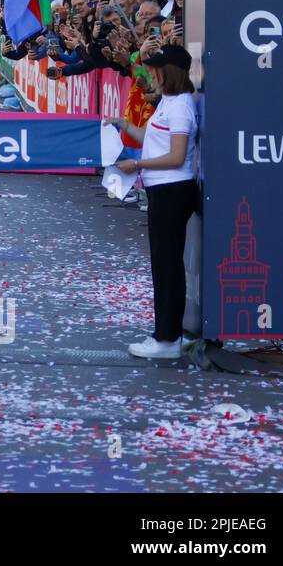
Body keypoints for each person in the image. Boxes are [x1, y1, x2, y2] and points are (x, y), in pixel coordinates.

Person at [105, 44, 199, 359]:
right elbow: (152, 139)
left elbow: (175, 155)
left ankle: (167, 339)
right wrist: (124, 124)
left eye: (156, 68)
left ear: (169, 71)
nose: (150, 72)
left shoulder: (181, 106)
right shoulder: (168, 102)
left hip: (173, 190)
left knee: (166, 265)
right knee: (165, 264)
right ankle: (170, 333)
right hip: (163, 189)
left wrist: (139, 165)